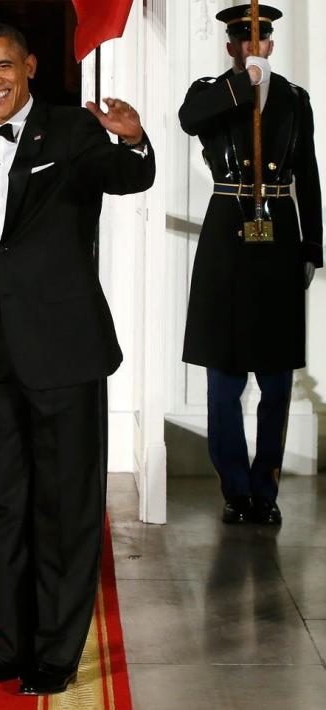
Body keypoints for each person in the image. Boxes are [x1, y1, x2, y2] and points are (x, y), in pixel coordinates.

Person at [0, 23, 155, 695]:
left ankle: (56, 654)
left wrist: (131, 135)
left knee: (64, 510)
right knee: (4, 508)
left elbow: (128, 177)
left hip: (65, 350)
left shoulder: (69, 131)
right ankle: (7, 646)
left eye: (1, 66)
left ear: (29, 66)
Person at [180, 4, 321, 526]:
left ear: (271, 44)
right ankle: (235, 489)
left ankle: (266, 486)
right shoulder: (210, 93)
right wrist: (243, 85)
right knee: (224, 374)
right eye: (244, 41)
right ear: (231, 47)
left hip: (278, 231)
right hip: (227, 232)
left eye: (261, 40)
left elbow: (307, 172)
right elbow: (188, 119)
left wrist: (313, 244)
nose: (253, 48)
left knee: (277, 377)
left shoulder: (293, 99)